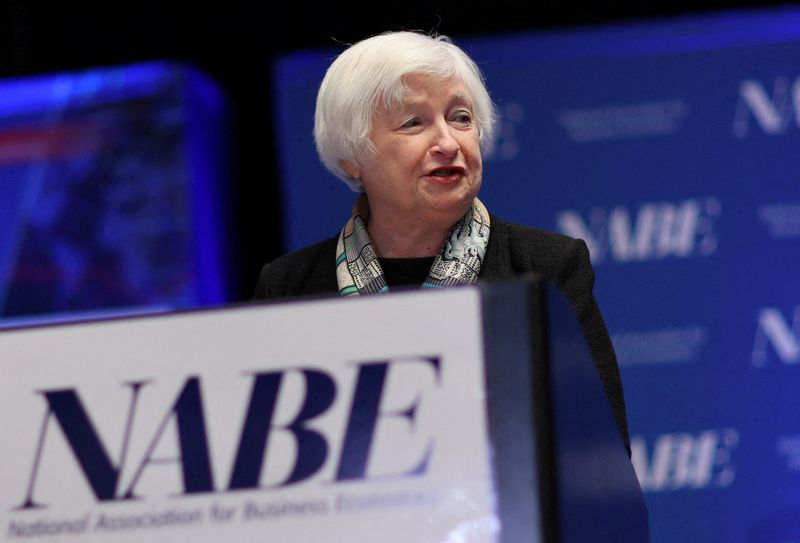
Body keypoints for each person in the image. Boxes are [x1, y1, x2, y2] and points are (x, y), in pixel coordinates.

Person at [253, 31, 630, 452]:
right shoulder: (288, 287)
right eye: (414, 122)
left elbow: (601, 458)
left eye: (461, 118)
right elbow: (268, 461)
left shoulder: (549, 268)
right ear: (351, 158)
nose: (449, 143)